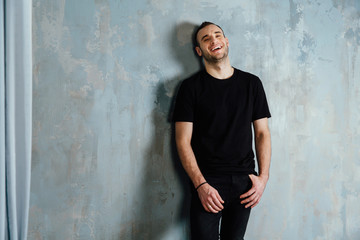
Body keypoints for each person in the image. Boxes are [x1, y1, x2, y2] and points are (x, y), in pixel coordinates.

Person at [173, 21, 272, 240]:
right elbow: (182, 141)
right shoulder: (190, 88)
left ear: (226, 42)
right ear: (199, 51)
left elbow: (262, 133)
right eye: (206, 39)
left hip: (244, 182)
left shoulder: (252, 83)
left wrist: (262, 178)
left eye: (218, 35)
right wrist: (200, 185)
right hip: (207, 181)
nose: (214, 40)